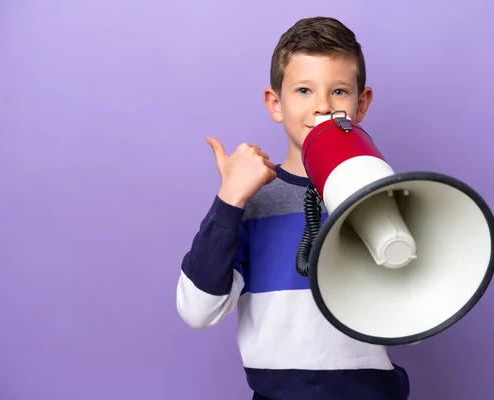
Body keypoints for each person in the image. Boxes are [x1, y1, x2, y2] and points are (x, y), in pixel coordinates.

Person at [176, 16, 411, 400]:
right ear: (275, 103)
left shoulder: (383, 192)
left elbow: (416, 312)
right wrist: (231, 198)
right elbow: (197, 311)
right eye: (303, 90)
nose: (321, 106)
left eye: (338, 91)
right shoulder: (251, 200)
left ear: (361, 103)